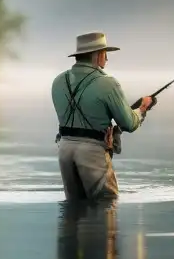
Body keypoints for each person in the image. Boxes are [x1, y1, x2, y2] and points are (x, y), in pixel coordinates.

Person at [51, 31, 154, 200]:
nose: (106, 59)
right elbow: (128, 123)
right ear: (97, 55)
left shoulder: (58, 81)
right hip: (92, 152)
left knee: (73, 211)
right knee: (106, 204)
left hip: (64, 149)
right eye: (105, 54)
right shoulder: (107, 83)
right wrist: (142, 109)